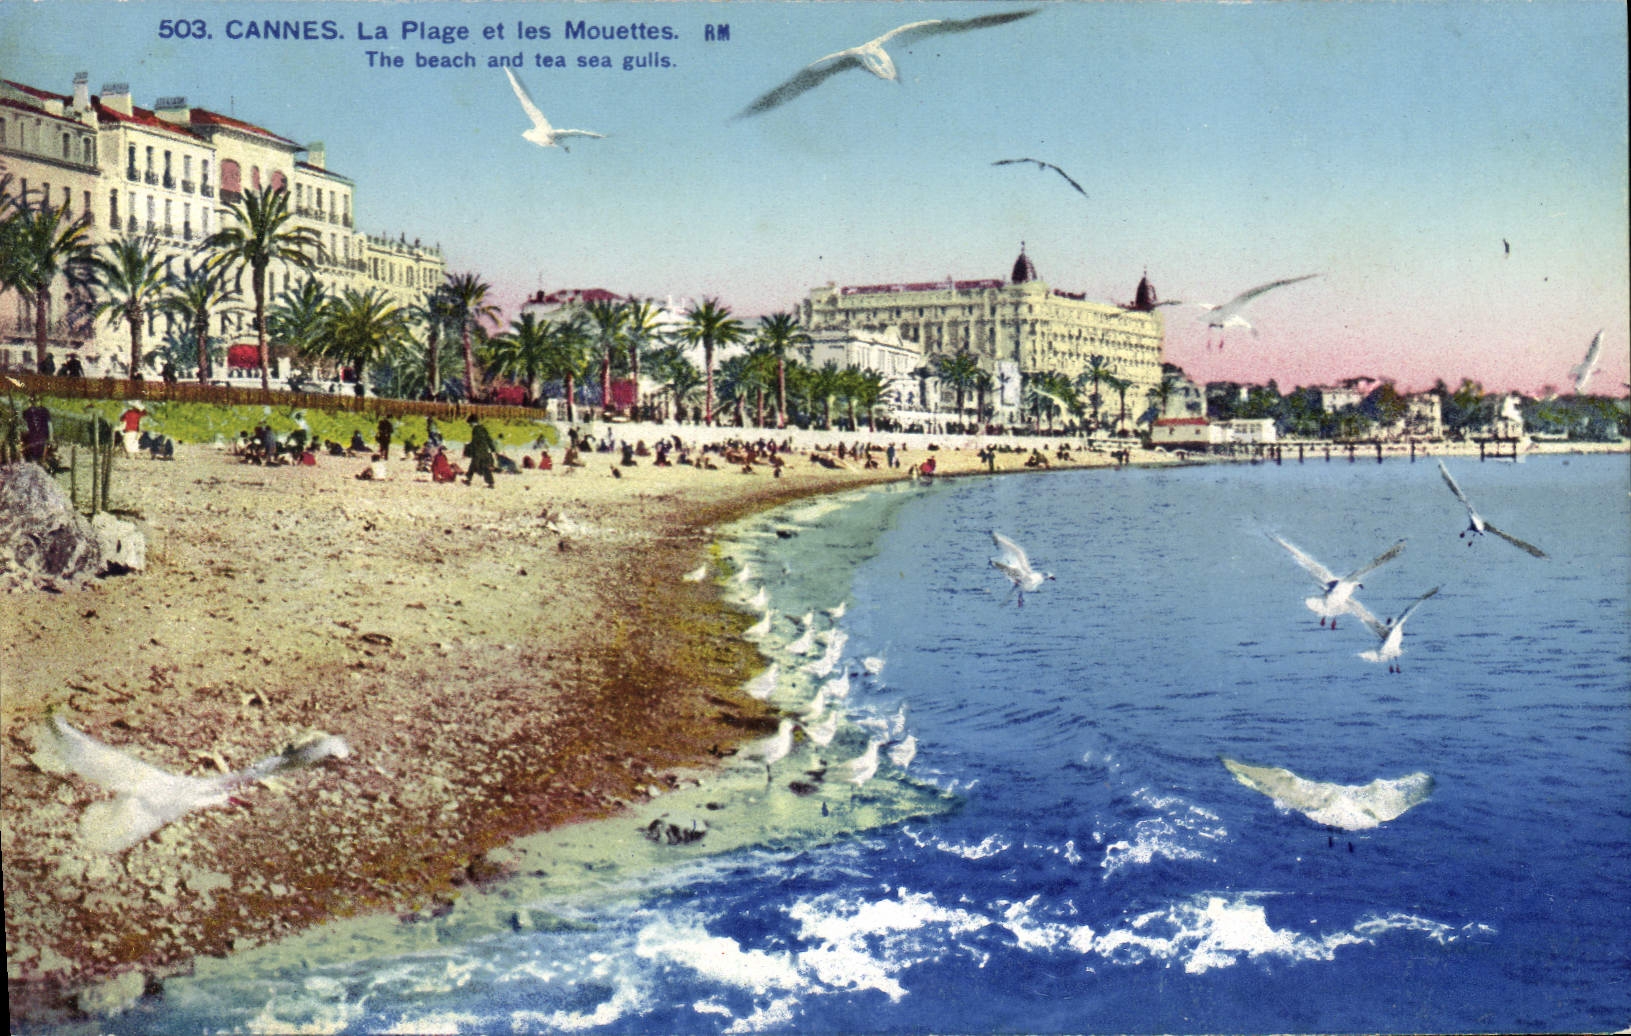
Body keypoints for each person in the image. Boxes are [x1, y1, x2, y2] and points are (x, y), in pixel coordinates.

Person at [463, 414, 498, 488]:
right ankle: (491, 483)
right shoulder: (483, 428)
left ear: (472, 423)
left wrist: (469, 450)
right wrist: (493, 449)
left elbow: (475, 441)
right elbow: (489, 439)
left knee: (472, 466)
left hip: (478, 451)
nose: (470, 425)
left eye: (470, 424)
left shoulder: (475, 430)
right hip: (485, 451)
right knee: (485, 467)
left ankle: (468, 480)